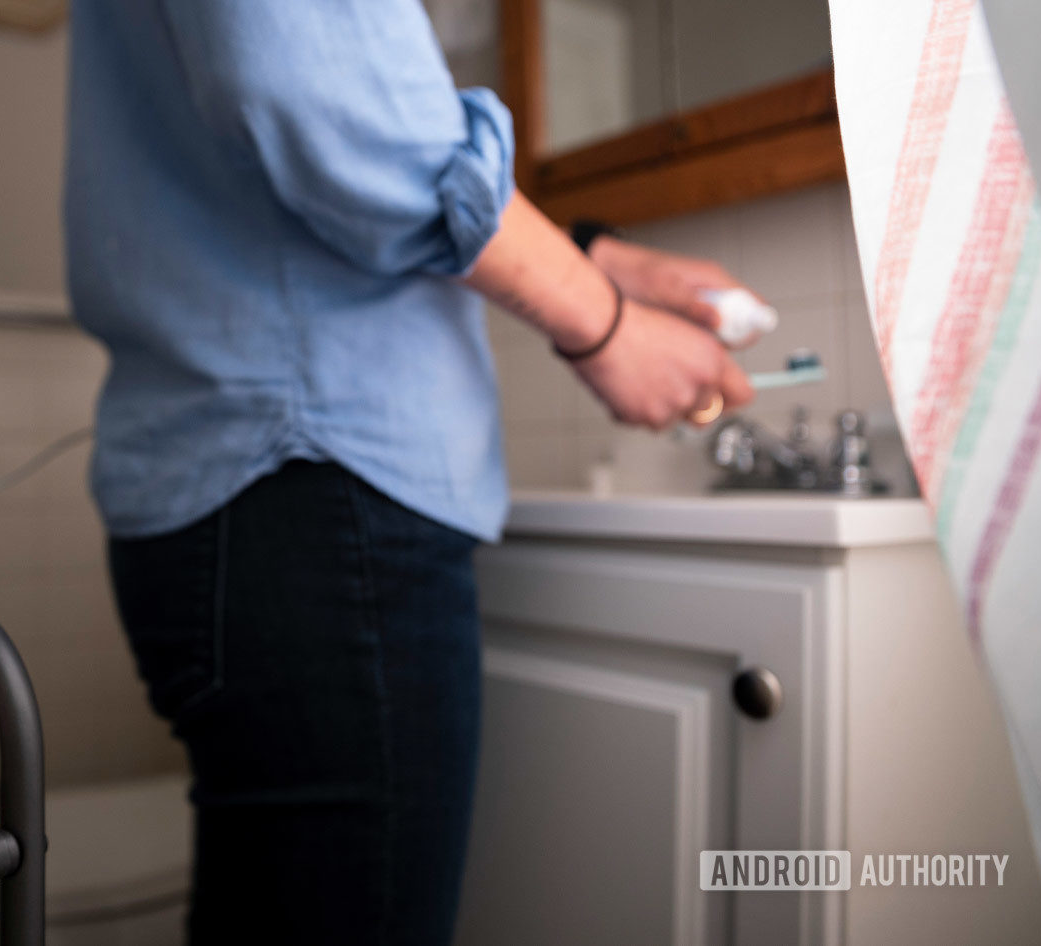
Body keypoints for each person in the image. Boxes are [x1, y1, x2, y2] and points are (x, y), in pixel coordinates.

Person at [64, 2, 757, 943]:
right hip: (316, 477)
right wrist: (603, 322)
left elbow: (306, 124)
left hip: (255, 482)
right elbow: (327, 102)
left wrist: (596, 256)